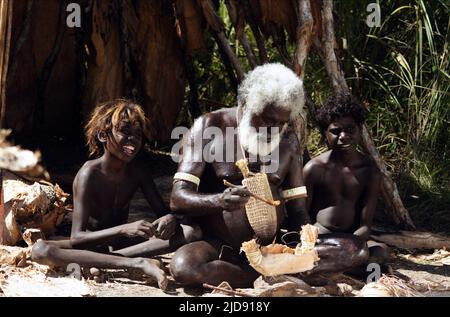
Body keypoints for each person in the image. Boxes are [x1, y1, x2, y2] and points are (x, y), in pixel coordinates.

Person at [169, 64, 368, 288]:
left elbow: (298, 210)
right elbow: (178, 198)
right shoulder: (209, 127)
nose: (273, 130)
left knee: (357, 249)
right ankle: (270, 275)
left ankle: (272, 270)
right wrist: (219, 201)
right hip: (219, 245)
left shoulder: (288, 140)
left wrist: (303, 244)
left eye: (281, 123)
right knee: (184, 267)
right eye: (268, 120)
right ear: (245, 105)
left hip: (272, 247)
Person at [31, 99, 201, 290]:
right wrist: (124, 228)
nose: (133, 140)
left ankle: (104, 263)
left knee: (190, 231)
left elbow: (163, 212)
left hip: (122, 245)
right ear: (104, 136)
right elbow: (77, 238)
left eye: (137, 134)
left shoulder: (138, 172)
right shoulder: (89, 174)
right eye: (125, 132)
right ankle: (136, 263)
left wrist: (170, 218)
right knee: (40, 250)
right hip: (90, 245)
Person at [303, 93, 388, 273]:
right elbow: (302, 215)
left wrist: (353, 243)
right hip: (321, 237)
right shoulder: (314, 168)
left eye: (350, 129)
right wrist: (308, 239)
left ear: (359, 130)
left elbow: (365, 225)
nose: (343, 136)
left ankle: (339, 268)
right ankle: (346, 268)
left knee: (379, 253)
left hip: (354, 239)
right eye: (335, 131)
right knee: (314, 253)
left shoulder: (370, 172)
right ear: (326, 133)